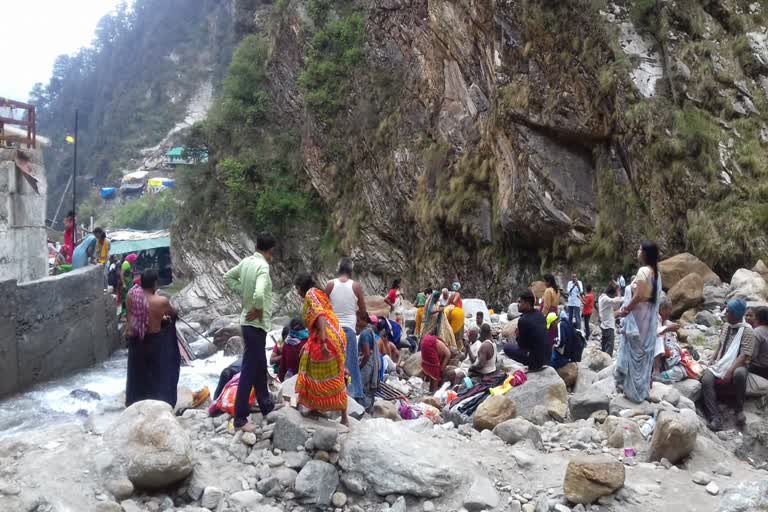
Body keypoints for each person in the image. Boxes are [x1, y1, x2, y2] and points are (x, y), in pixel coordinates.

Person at [223, 234, 277, 431]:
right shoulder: (263, 267)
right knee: (248, 369)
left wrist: (244, 294)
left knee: (260, 364)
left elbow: (227, 277)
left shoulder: (246, 262)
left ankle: (266, 406)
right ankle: (240, 417)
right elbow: (260, 293)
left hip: (248, 323)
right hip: (256, 323)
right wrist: (259, 307)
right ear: (270, 250)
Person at [294, 272, 349, 425]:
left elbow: (321, 316)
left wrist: (324, 343)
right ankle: (340, 415)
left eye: (297, 289)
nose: (297, 292)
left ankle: (319, 408)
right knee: (335, 374)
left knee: (318, 374)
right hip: (336, 334)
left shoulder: (311, 294)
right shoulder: (319, 293)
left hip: (327, 338)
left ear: (300, 287)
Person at [615, 241, 662, 403]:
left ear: (645, 254)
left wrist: (625, 310)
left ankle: (633, 391)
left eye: (639, 249)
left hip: (638, 317)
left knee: (636, 352)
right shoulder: (655, 272)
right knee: (642, 353)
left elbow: (639, 295)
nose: (637, 251)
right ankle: (640, 390)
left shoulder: (643, 271)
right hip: (647, 318)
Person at [125, 269, 180, 407]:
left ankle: (134, 401)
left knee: (137, 375)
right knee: (156, 375)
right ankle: (159, 402)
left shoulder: (131, 295)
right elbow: (173, 313)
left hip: (135, 341)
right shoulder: (161, 301)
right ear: (155, 284)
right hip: (153, 342)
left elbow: (135, 316)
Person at [700, 299, 754, 430]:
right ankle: (715, 418)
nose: (726, 314)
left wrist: (729, 371)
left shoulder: (747, 331)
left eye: (728, 312)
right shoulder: (726, 326)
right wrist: (712, 360)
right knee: (706, 379)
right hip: (721, 362)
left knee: (739, 373)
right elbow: (720, 345)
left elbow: (743, 355)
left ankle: (739, 409)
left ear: (736, 314)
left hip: (738, 364)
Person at [325, 257, 367, 404]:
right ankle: (355, 396)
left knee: (332, 363)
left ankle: (329, 393)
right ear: (351, 271)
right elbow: (363, 310)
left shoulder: (330, 284)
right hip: (348, 330)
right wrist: (357, 317)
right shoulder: (355, 286)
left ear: (339, 269)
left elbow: (323, 307)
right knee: (351, 364)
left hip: (332, 330)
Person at [503, 291, 552, 371]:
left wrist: (517, 336)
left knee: (507, 347)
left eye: (520, 302)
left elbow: (522, 346)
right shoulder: (539, 314)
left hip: (535, 361)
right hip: (547, 357)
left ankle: (530, 366)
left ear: (527, 303)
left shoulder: (523, 320)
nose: (518, 304)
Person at [654, 297, 686, 384]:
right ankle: (656, 373)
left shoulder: (664, 321)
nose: (671, 312)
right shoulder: (654, 318)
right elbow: (654, 332)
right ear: (662, 309)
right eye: (669, 309)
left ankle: (663, 375)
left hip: (663, 358)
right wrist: (668, 328)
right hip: (650, 355)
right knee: (659, 337)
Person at [357, 318, 381, 411]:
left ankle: (363, 409)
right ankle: (368, 409)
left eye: (358, 320)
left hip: (367, 363)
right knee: (368, 388)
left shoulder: (364, 334)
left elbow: (366, 353)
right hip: (371, 363)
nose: (357, 323)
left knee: (363, 386)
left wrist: (359, 366)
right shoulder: (369, 332)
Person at [598, 284, 624, 356]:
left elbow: (611, 312)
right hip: (608, 327)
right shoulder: (605, 299)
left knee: (604, 349)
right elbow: (617, 300)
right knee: (608, 351)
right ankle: (606, 365)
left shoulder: (601, 297)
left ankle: (603, 365)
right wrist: (619, 292)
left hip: (604, 326)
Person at [541, 274, 561, 345]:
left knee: (547, 333)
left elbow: (546, 306)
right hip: (554, 313)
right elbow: (557, 305)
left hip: (548, 314)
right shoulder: (557, 291)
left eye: (545, 281)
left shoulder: (548, 291)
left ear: (549, 282)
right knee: (553, 332)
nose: (544, 283)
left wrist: (542, 316)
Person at [119, 253, 138, 318]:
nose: (135, 261)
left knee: (129, 299)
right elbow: (121, 274)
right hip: (125, 285)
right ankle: (123, 315)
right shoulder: (126, 264)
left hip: (128, 284)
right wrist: (124, 284)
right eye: (134, 259)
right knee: (125, 299)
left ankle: (127, 314)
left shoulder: (129, 264)